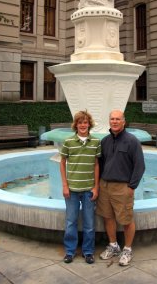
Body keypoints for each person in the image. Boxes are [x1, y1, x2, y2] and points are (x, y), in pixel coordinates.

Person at [96, 110, 145, 266]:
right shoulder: (105, 141)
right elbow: (100, 164)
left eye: (118, 119)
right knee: (108, 217)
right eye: (112, 119)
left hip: (122, 187)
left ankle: (127, 249)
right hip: (105, 186)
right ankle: (113, 245)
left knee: (126, 219)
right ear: (109, 122)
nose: (115, 121)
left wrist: (131, 186)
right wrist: (97, 184)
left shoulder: (132, 141)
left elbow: (139, 166)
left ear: (124, 121)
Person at [60, 110, 101, 264]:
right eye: (80, 122)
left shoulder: (96, 142)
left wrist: (96, 187)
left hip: (89, 190)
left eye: (85, 122)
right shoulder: (68, 142)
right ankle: (70, 251)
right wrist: (65, 185)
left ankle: (88, 252)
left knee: (89, 223)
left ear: (89, 124)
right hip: (72, 190)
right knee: (71, 221)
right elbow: (62, 163)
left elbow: (97, 165)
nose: (83, 125)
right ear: (75, 125)